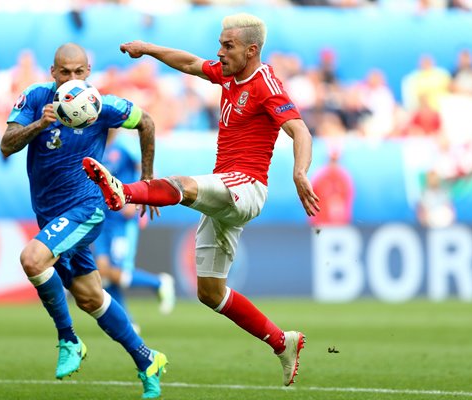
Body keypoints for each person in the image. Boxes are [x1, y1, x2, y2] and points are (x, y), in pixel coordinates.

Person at [83, 13, 320, 386]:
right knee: (209, 293)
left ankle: (123, 191)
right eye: (221, 44)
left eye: (228, 46)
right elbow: (191, 63)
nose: (220, 52)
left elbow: (300, 131)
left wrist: (300, 171)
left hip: (246, 186)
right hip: (225, 191)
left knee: (184, 185)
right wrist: (147, 49)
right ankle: (282, 341)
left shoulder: (266, 83)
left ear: (251, 49)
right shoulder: (229, 72)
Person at [0, 43, 167, 399]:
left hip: (87, 208)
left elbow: (147, 122)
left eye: (79, 72)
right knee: (90, 297)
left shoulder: (103, 106)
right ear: (53, 72)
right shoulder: (35, 98)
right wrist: (38, 124)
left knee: (32, 259)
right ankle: (147, 359)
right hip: (48, 212)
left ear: (88, 71)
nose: (72, 79)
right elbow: (6, 145)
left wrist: (148, 184)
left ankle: (69, 340)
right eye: (65, 72)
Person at [92, 128, 176, 330]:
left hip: (121, 220)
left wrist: (136, 198)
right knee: (103, 271)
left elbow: (145, 167)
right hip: (101, 218)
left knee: (118, 272)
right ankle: (127, 322)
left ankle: (158, 283)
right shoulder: (96, 148)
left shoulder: (124, 146)